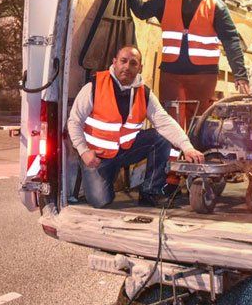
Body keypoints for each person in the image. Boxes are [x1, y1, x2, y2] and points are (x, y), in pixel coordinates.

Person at [68, 45, 205, 208]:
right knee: (101, 200)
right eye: (123, 61)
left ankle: (150, 192)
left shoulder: (144, 93)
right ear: (115, 62)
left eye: (133, 63)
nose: (127, 67)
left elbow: (164, 121)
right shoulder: (94, 86)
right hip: (98, 156)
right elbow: (74, 121)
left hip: (127, 150)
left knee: (160, 138)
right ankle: (107, 177)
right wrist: (84, 151)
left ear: (140, 67)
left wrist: (187, 147)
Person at [119, 0, 250, 128]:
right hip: (171, 76)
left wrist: (240, 75)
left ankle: (196, 146)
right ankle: (174, 147)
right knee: (171, 123)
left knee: (199, 125)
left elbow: (230, 40)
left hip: (203, 78)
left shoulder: (216, 5)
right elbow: (142, 12)